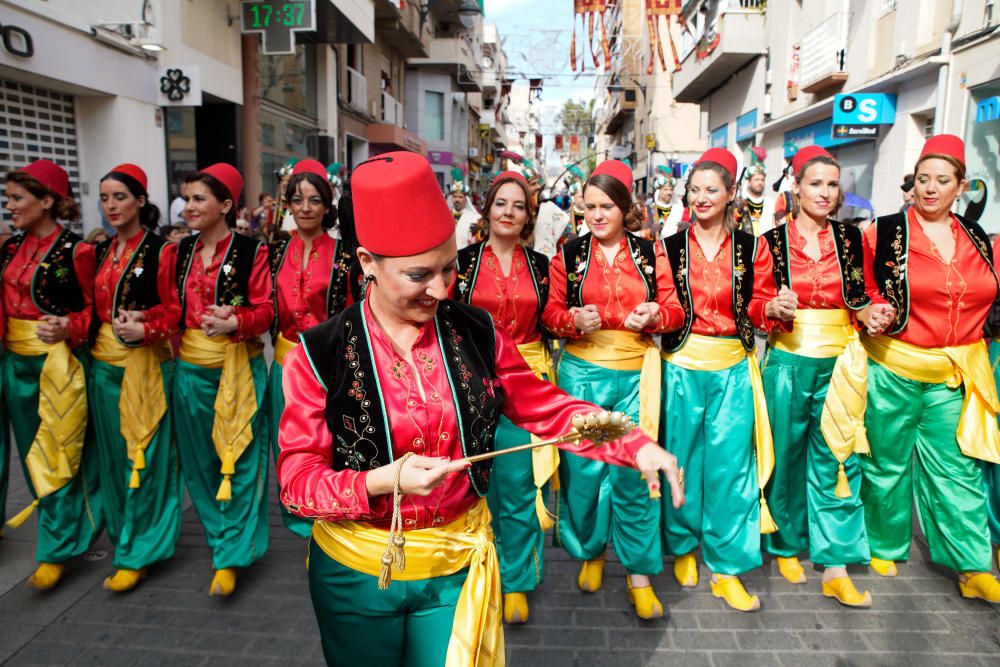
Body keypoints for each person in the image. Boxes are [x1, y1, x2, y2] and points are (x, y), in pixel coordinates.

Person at [276, 151, 684, 666]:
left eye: (448, 268)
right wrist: (380, 482)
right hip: (358, 575)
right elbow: (296, 484)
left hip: (455, 566)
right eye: (419, 274)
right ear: (367, 264)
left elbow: (544, 406)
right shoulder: (320, 353)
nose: (441, 289)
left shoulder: (474, 330)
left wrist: (634, 446)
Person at [542, 159, 686, 619]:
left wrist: (655, 317)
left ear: (625, 208)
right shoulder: (569, 255)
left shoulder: (651, 253)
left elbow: (675, 309)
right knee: (583, 474)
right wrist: (571, 321)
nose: (596, 215)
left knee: (634, 473)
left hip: (636, 378)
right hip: (581, 373)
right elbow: (549, 314)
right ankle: (590, 553)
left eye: (606, 206)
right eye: (588, 207)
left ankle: (639, 572)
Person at [860, 134, 1000, 602]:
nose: (931, 189)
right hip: (895, 367)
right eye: (923, 179)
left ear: (961, 186)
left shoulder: (980, 239)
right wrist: (871, 307)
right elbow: (860, 287)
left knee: (959, 469)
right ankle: (884, 543)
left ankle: (972, 565)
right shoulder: (883, 233)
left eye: (943, 181)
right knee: (886, 462)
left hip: (952, 374)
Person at [659, 147, 793, 612]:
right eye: (694, 190)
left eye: (710, 190)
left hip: (733, 367)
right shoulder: (669, 248)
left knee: (732, 470)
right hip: (679, 367)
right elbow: (664, 303)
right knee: (680, 461)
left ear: (730, 194)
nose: (700, 198)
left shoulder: (751, 248)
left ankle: (729, 566)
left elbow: (757, 303)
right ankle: (681, 545)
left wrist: (770, 310)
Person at [759, 146, 878, 607]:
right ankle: (786, 544)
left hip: (842, 363)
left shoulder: (852, 240)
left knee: (839, 457)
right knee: (785, 456)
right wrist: (770, 308)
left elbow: (862, 293)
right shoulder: (769, 243)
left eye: (832, 185)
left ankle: (835, 562)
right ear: (796, 187)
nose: (824, 193)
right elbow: (754, 304)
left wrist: (872, 310)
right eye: (815, 184)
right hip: (788, 360)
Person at [453, 170, 551, 624]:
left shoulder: (542, 266)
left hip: (525, 384)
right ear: (487, 210)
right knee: (471, 485)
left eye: (518, 205)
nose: (509, 212)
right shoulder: (463, 263)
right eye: (501, 204)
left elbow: (555, 321)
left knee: (516, 484)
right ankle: (472, 573)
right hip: (472, 383)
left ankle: (516, 580)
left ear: (528, 215)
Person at [173, 163, 274, 596]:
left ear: (227, 205)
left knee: (241, 462)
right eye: (188, 198)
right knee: (200, 462)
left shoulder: (252, 251)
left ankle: (232, 554)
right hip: (189, 370)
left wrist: (237, 321)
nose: (189, 206)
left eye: (199, 199)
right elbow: (166, 309)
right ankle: (219, 536)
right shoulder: (176, 253)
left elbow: (268, 310)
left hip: (237, 369)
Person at [2, 159, 103, 589]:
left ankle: (57, 548)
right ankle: (59, 534)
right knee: (30, 458)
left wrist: (69, 327)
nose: (9, 207)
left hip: (57, 365)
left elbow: (96, 313)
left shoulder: (77, 252)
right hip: (15, 364)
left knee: (59, 455)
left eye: (17, 198)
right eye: (8, 199)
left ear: (46, 201)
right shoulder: (9, 249)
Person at [90, 164, 183, 592]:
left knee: (143, 461)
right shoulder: (100, 251)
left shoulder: (161, 251)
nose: (111, 206)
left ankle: (140, 551)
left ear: (141, 201)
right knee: (112, 460)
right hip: (103, 370)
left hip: (144, 368)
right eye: (105, 198)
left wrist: (146, 326)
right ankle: (125, 538)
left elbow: (177, 311)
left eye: (120, 197)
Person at [267, 159, 351, 539]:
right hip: (283, 367)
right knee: (289, 446)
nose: (304, 208)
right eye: (297, 200)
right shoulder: (273, 254)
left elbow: (352, 316)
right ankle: (301, 522)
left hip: (326, 368)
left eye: (314, 200)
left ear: (326, 206)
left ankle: (329, 520)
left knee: (330, 444)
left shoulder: (344, 256)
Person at [522, 161, 573, 259]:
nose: (537, 186)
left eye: (537, 183)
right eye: (533, 184)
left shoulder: (548, 208)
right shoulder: (518, 211)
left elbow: (564, 235)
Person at [734, 162, 775, 236]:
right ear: (749, 182)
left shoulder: (771, 202)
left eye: (762, 180)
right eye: (756, 179)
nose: (760, 182)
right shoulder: (739, 202)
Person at [449, 172, 479, 249]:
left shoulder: (475, 218)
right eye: (455, 196)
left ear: (466, 200)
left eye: (460, 197)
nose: (457, 200)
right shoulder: (444, 216)